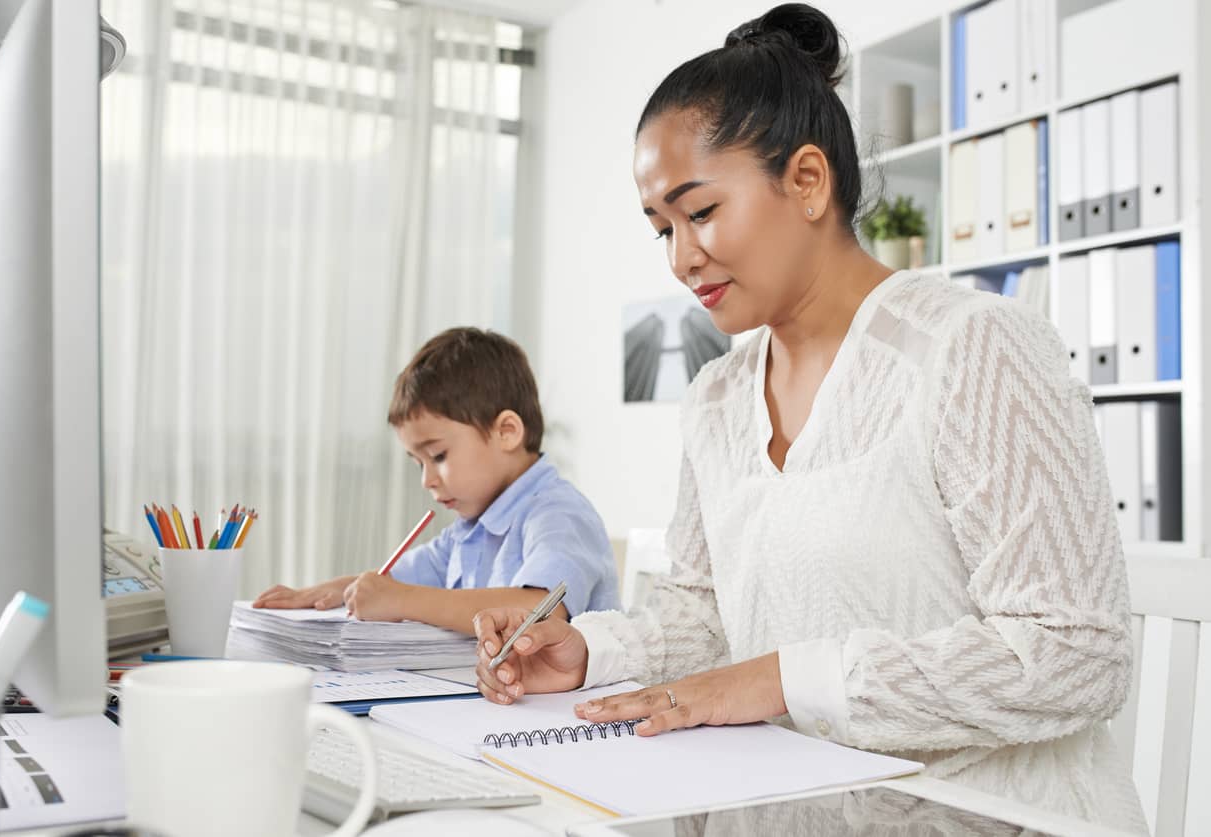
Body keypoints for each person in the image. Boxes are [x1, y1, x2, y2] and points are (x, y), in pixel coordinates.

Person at [472, 4, 1143, 831]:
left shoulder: (973, 350)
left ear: (808, 181)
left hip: (980, 813)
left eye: (702, 212)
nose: (681, 257)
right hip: (791, 804)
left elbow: (1077, 653)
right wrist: (590, 653)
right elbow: (707, 615)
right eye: (662, 229)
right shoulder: (717, 398)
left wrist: (787, 679)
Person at [254, 327, 620, 634]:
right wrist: (332, 591)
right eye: (418, 463)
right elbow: (395, 582)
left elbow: (540, 608)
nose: (428, 480)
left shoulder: (558, 513)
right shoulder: (469, 531)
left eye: (439, 456)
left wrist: (400, 600)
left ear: (507, 432)